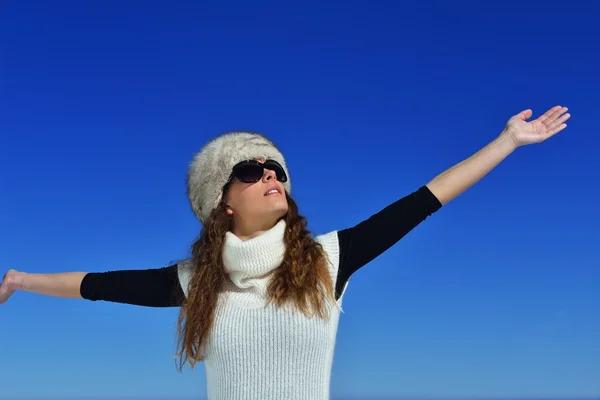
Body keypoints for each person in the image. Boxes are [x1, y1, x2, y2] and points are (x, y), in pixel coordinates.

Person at [0, 106, 570, 399]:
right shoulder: (197, 281)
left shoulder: (326, 261)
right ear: (220, 203)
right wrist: (20, 279)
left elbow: (423, 201)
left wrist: (507, 143)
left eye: (277, 168)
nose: (270, 174)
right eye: (251, 170)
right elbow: (96, 284)